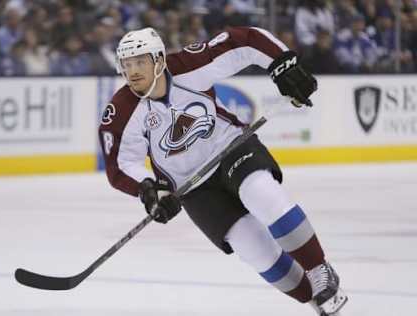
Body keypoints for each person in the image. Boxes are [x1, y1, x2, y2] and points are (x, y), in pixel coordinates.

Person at [98, 26, 348, 315]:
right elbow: (120, 164)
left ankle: (319, 270)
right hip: (192, 187)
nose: (133, 71)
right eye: (126, 64)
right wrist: (149, 190)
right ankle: (318, 301)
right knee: (253, 248)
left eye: (140, 61)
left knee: (261, 193)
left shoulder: (189, 67)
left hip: (232, 149)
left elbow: (244, 40)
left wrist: (282, 63)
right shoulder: (122, 110)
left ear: (159, 60)